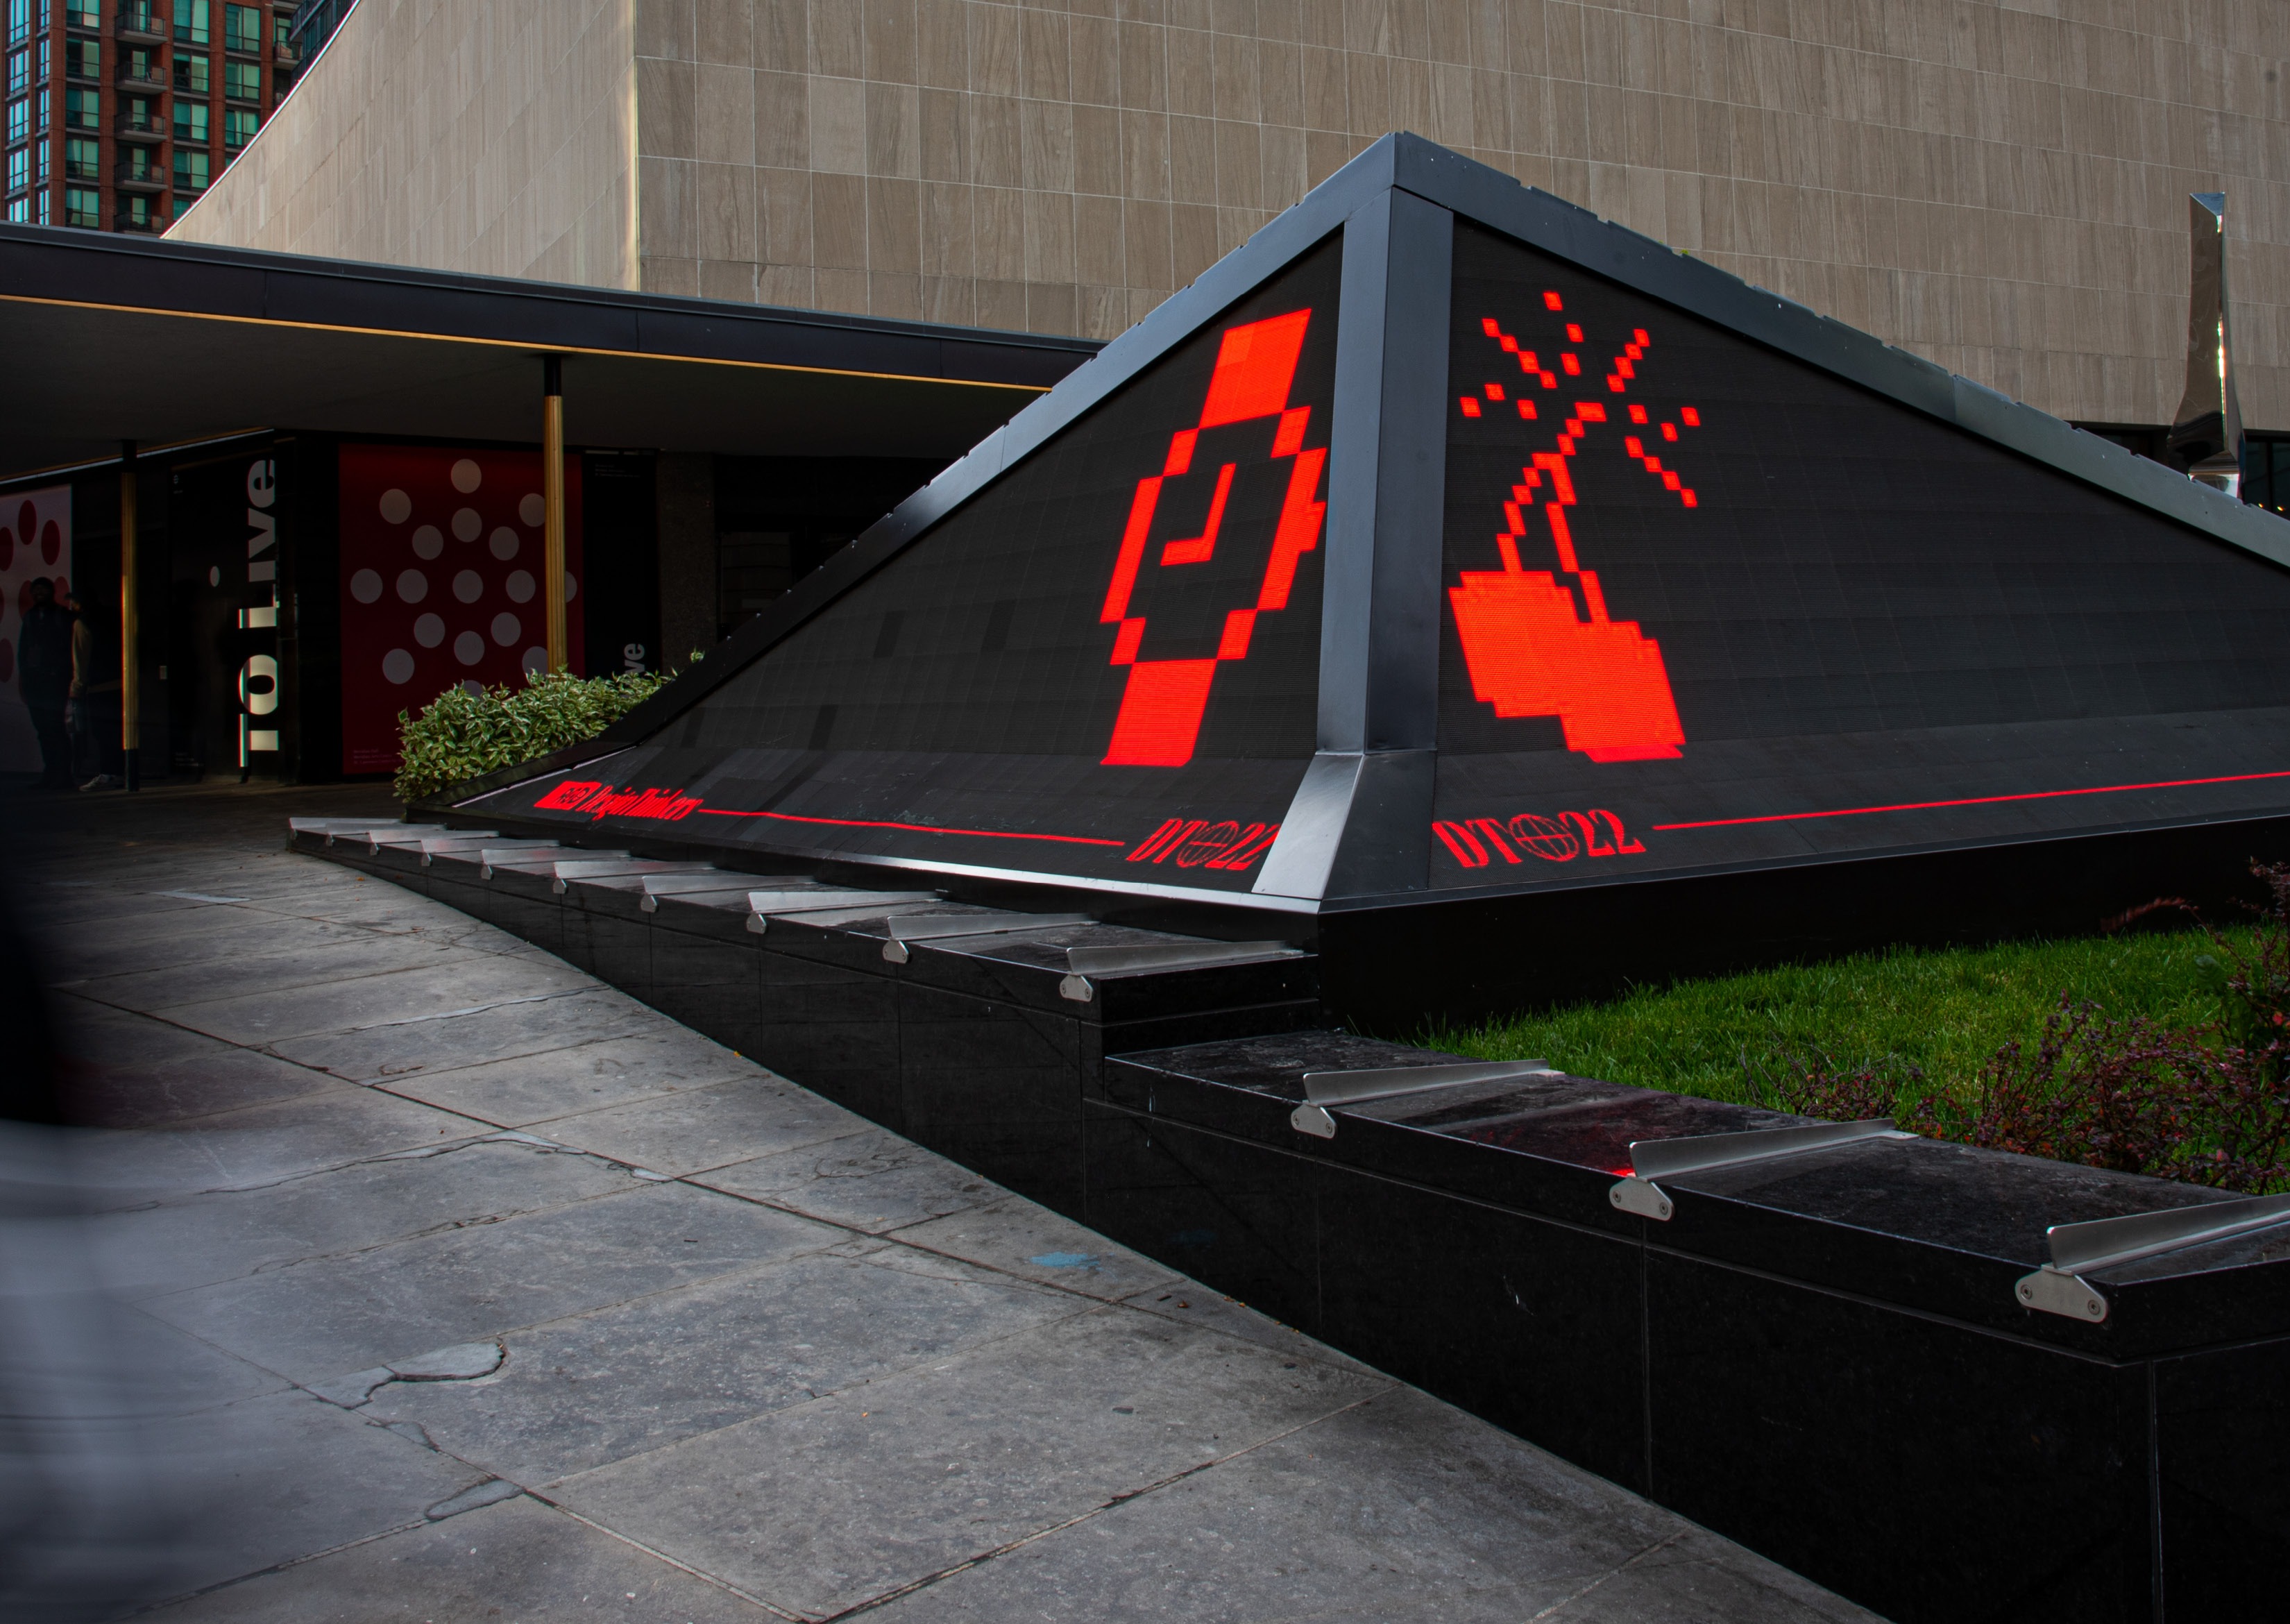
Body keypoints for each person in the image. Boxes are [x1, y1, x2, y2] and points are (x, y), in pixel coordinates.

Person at [16, 578, 73, 792]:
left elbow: (68, 650)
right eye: (36, 590)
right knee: (45, 729)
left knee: (54, 729)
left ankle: (61, 776)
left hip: (53, 682)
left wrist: (58, 674)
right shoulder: (32, 617)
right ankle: (52, 774)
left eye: (43, 590)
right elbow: (24, 651)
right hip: (37, 683)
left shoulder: (60, 617)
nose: (39, 594)